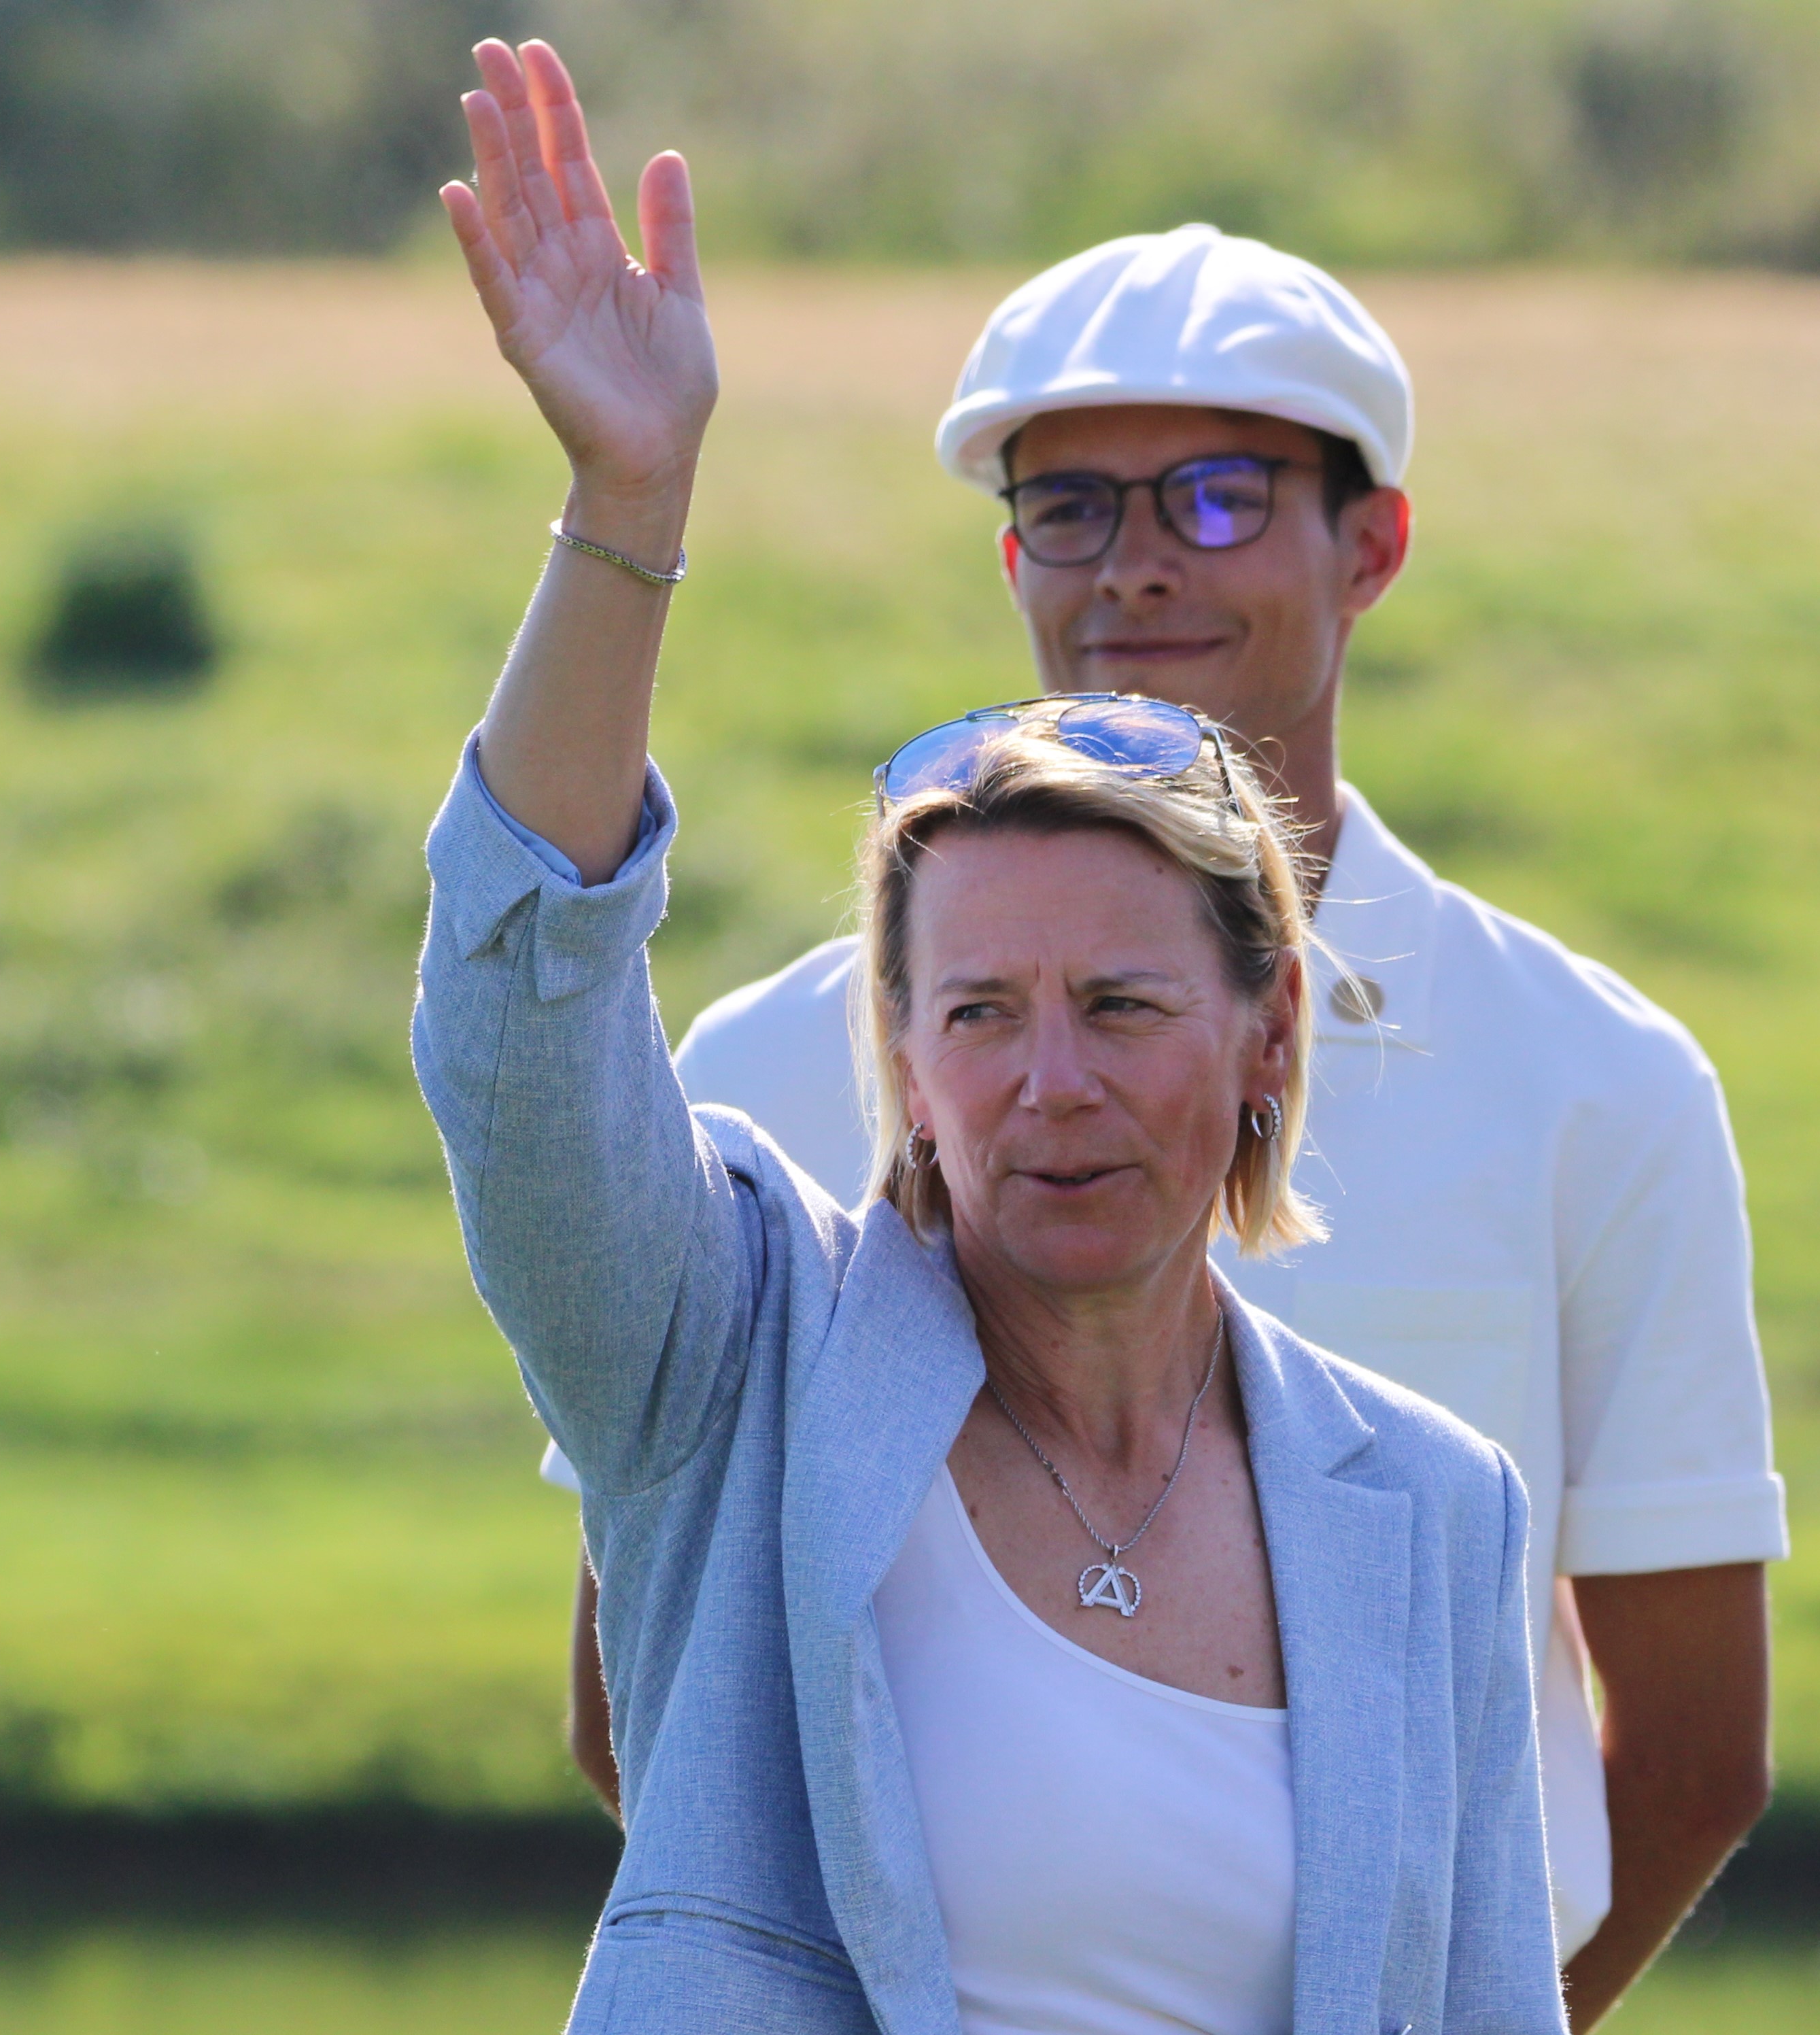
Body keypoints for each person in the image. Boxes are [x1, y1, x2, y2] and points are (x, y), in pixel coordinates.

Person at [423, 39, 1564, 2034]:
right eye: (978, 1012)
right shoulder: (738, 1362)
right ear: (902, 1047)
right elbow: (521, 1026)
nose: (1049, 1082)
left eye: (1121, 1004)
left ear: (1262, 1030)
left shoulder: (1432, 1503)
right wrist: (628, 502)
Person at [547, 219, 1788, 2019]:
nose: (1135, 567)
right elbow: (656, 1705)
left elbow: (1686, 1754)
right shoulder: (760, 1071)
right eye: (1071, 508)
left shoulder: (1599, 1081)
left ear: (1372, 544)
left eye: (1217, 497)